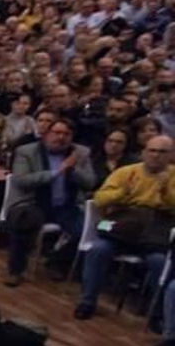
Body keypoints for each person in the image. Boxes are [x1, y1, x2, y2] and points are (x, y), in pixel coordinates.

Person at [75, 134, 174, 320]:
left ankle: (157, 314)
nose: (156, 155)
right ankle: (87, 302)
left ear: (171, 155)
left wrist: (165, 193)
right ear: (144, 152)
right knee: (98, 249)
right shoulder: (126, 172)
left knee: (160, 262)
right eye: (152, 150)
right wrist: (123, 193)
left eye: (162, 152)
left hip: (155, 234)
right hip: (123, 229)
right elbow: (99, 198)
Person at [6, 118, 96, 284]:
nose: (61, 137)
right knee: (23, 222)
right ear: (46, 135)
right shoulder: (26, 151)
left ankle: (55, 260)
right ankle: (16, 270)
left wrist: (73, 170)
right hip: (32, 202)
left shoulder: (81, 153)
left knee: (87, 231)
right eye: (57, 133)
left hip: (65, 205)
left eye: (66, 134)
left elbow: (90, 182)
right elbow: (21, 180)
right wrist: (56, 172)